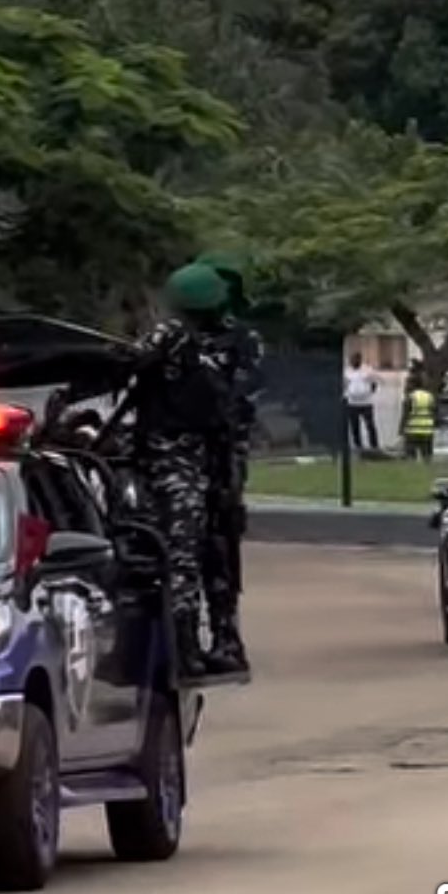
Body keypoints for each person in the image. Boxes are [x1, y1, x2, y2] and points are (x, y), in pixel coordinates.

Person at [118, 264, 234, 679]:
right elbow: (129, 362)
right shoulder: (179, 338)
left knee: (188, 555)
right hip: (175, 465)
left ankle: (186, 645)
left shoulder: (194, 343)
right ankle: (181, 648)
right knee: (181, 557)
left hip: (184, 464)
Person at [193, 255, 265, 676]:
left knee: (219, 544)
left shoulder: (241, 340)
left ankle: (225, 637)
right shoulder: (176, 337)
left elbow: (242, 396)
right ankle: (181, 640)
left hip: (221, 453)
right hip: (176, 452)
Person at [344, 353, 381, 451]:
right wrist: (347, 395)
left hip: (366, 403)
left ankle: (374, 446)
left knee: (370, 425)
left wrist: (368, 392)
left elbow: (374, 383)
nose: (353, 361)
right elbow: (345, 384)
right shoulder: (347, 371)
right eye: (352, 360)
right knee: (354, 426)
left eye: (356, 359)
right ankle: (358, 445)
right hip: (352, 403)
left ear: (360, 360)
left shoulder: (368, 370)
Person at [403, 383, 437, 462]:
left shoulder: (410, 397)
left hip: (413, 429)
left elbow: (405, 414)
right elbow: (435, 412)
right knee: (427, 455)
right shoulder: (429, 396)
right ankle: (427, 466)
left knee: (411, 456)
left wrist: (402, 429)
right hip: (427, 429)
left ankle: (413, 466)